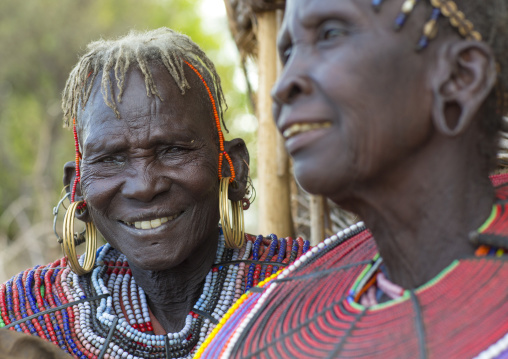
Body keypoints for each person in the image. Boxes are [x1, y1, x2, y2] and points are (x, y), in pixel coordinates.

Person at [196, 0, 508, 358]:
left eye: (331, 34)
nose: (281, 87)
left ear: (459, 76)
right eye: (287, 52)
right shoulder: (259, 326)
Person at [0, 28, 310, 359]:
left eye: (174, 150)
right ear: (76, 187)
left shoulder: (311, 284)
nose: (144, 186)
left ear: (233, 168)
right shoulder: (25, 317)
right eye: (110, 159)